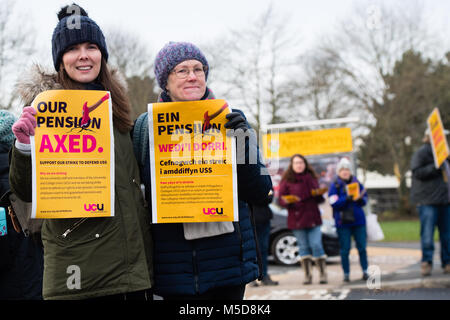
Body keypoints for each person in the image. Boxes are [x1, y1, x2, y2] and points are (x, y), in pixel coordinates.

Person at [9, 4, 153, 300]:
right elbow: (24, 191)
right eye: (73, 48)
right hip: (79, 267)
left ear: (102, 54)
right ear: (61, 58)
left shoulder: (118, 110)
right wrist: (24, 146)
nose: (84, 55)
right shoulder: (43, 111)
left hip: (133, 267)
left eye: (91, 46)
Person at [134, 41, 272, 300]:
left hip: (227, 264)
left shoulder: (232, 118)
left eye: (198, 69)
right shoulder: (145, 127)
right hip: (173, 267)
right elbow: (137, 192)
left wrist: (242, 141)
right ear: (165, 81)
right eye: (182, 70)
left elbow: (261, 191)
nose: (193, 76)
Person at [279, 154, 328, 285]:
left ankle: (323, 274)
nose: (299, 165)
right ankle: (308, 275)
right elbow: (280, 199)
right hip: (296, 219)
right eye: (296, 163)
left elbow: (319, 198)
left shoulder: (311, 178)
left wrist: (319, 195)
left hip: (313, 218)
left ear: (305, 164)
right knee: (303, 247)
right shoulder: (287, 180)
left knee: (316, 245)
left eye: (301, 162)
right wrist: (288, 202)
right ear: (292, 165)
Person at [410, 129, 450, 276]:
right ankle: (427, 262)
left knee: (447, 235)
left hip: (445, 200)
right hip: (428, 201)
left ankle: (447, 262)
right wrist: (436, 166)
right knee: (427, 234)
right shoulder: (422, 152)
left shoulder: (445, 154)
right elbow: (417, 172)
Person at [328, 157, 369, 282]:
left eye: (347, 169)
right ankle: (346, 273)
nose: (345, 172)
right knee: (345, 249)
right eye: (342, 170)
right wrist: (346, 198)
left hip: (358, 221)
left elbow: (365, 199)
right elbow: (333, 202)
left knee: (362, 247)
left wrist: (361, 199)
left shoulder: (357, 183)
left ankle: (365, 271)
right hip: (342, 222)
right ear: (339, 172)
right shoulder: (335, 185)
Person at [250, 188, 279, 286]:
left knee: (263, 249)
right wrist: (261, 196)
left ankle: (264, 276)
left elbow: (270, 195)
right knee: (251, 250)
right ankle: (252, 277)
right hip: (250, 219)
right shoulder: (242, 174)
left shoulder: (264, 173)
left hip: (263, 219)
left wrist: (256, 197)